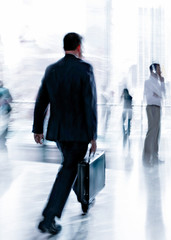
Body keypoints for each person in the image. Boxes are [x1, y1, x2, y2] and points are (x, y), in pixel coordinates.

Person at [32, 32, 97, 235]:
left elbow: (41, 100)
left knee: (70, 165)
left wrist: (38, 128)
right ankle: (49, 217)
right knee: (68, 169)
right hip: (79, 133)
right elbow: (90, 104)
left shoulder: (52, 70)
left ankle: (84, 199)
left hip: (60, 133)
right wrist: (93, 135)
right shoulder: (85, 69)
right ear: (78, 47)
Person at [143, 63, 165, 165]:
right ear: (153, 70)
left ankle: (155, 156)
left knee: (157, 133)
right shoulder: (148, 82)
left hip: (158, 107)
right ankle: (147, 158)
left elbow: (163, 94)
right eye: (158, 69)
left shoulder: (159, 82)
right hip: (151, 107)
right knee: (151, 132)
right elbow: (152, 96)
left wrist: (162, 82)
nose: (160, 71)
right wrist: (158, 94)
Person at [0, 80, 12, 150]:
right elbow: (10, 99)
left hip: (3, 112)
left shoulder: (3, 90)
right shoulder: (5, 90)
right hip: (5, 112)